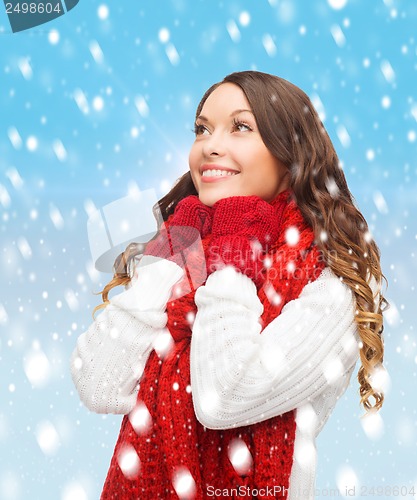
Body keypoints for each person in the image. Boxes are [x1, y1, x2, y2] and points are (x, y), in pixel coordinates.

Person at [70, 70, 387, 499]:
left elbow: (224, 398)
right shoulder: (189, 245)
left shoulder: (329, 281)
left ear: (289, 154)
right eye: (202, 129)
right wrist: (171, 255)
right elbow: (99, 383)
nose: (210, 145)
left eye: (241, 127)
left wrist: (233, 253)